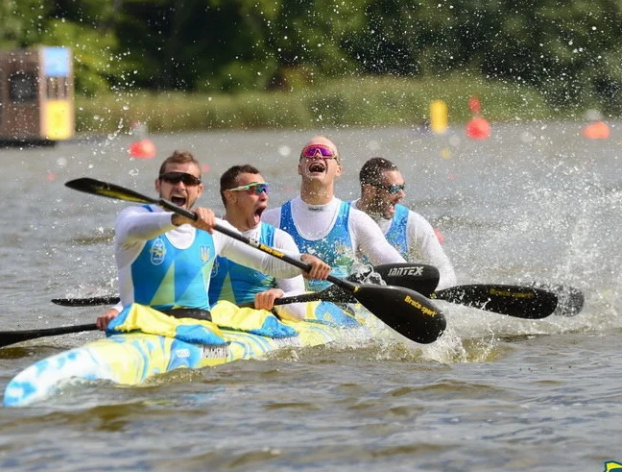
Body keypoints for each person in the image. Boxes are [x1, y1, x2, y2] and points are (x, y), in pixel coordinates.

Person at [96, 150, 330, 330]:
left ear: (199, 190)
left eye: (188, 181)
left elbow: (267, 263)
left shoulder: (216, 230)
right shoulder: (133, 218)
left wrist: (303, 263)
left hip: (197, 332)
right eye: (172, 179)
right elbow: (134, 229)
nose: (180, 185)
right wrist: (179, 218)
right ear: (159, 184)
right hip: (143, 327)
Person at [261, 136, 405, 291]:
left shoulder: (356, 220)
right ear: (299, 167)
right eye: (310, 152)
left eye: (326, 153)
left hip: (341, 311)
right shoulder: (271, 219)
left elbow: (395, 268)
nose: (317, 155)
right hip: (290, 309)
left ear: (338, 170)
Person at [208, 164, 313, 319]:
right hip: (212, 322)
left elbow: (299, 312)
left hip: (258, 325)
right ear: (231, 196)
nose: (264, 196)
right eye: (255, 189)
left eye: (265, 189)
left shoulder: (278, 239)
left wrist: (280, 296)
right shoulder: (208, 234)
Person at [352, 157, 457, 289]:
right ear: (369, 190)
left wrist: (425, 290)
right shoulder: (343, 217)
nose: (402, 194)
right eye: (394, 189)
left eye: (402, 187)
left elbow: (447, 273)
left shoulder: (412, 223)